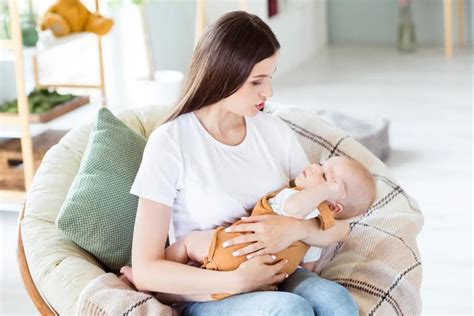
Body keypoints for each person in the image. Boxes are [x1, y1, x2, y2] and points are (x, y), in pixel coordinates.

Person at [128, 10, 360, 315]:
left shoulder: (275, 132)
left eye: (270, 78)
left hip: (280, 272)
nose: (269, 92)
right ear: (223, 74)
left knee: (337, 302)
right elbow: (145, 269)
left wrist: (294, 230)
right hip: (210, 289)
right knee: (287, 310)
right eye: (256, 82)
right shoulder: (171, 142)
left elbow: (338, 227)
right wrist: (238, 280)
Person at [121, 156, 376, 301]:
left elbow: (298, 209)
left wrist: (323, 192)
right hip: (255, 274)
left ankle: (151, 289)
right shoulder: (314, 230)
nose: (315, 166)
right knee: (208, 292)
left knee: (188, 244)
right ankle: (160, 293)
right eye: (322, 163)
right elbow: (307, 265)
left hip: (228, 245)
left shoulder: (292, 198)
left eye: (325, 175)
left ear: (333, 206)